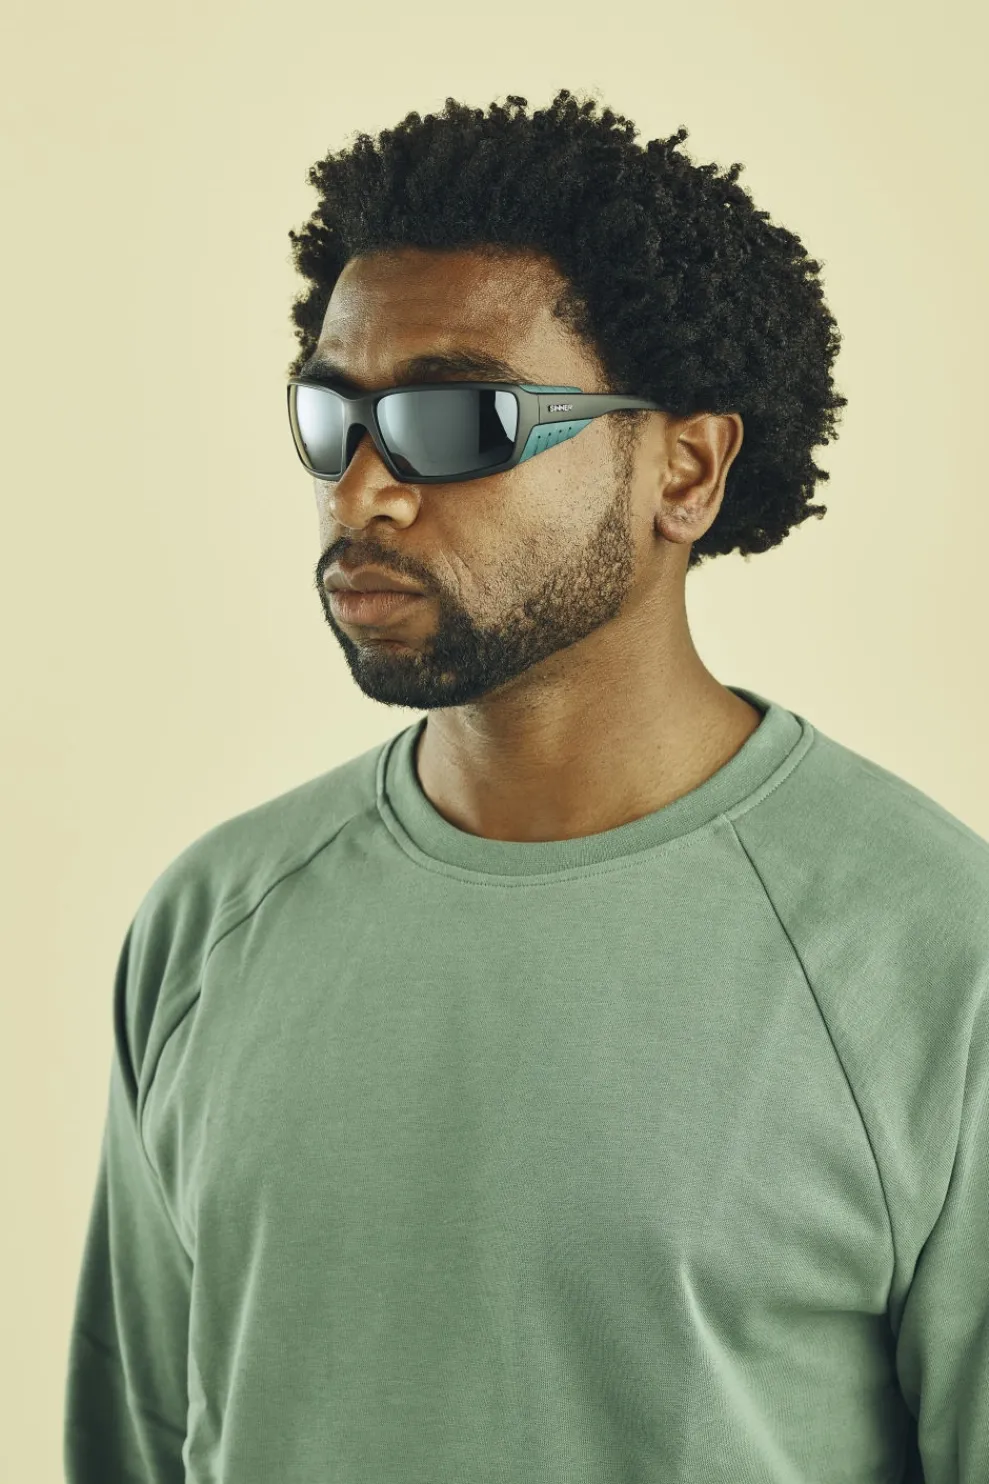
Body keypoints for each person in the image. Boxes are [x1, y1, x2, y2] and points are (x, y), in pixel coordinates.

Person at [64, 89, 989, 1483]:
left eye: (456, 420)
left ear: (686, 468)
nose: (363, 493)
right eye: (330, 417)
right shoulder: (210, 924)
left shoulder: (931, 954)